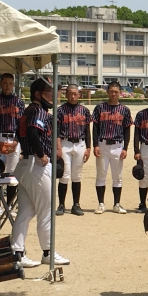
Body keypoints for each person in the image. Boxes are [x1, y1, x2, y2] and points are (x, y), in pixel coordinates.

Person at [12, 79, 70, 268]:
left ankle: (18, 253)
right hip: (36, 166)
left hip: (27, 165)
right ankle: (48, 252)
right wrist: (40, 153)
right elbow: (32, 132)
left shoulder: (30, 110)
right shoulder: (37, 110)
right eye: (49, 90)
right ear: (38, 94)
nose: (54, 94)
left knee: (25, 212)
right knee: (46, 212)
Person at [0, 73, 25, 210]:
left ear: (13, 85)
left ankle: (9, 206)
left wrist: (17, 141)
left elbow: (21, 124)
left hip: (13, 139)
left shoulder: (19, 103)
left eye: (10, 83)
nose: (8, 86)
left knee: (12, 174)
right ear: (0, 83)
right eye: (5, 83)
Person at [92, 81, 133, 214]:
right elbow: (95, 127)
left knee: (117, 176)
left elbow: (127, 129)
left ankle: (116, 204)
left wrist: (125, 148)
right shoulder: (100, 108)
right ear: (108, 92)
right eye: (111, 91)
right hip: (103, 144)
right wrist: (95, 145)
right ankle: (101, 204)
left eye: (116, 92)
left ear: (120, 93)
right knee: (101, 175)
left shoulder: (124, 110)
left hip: (117, 145)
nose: (114, 94)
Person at [56, 84, 91, 216]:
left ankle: (76, 204)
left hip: (80, 143)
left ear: (79, 95)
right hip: (65, 143)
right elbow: (57, 131)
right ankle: (61, 204)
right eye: (70, 93)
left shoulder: (84, 110)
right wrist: (58, 147)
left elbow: (87, 130)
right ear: (66, 94)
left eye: (75, 93)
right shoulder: (60, 110)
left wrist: (88, 147)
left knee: (77, 176)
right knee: (64, 175)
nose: (72, 96)